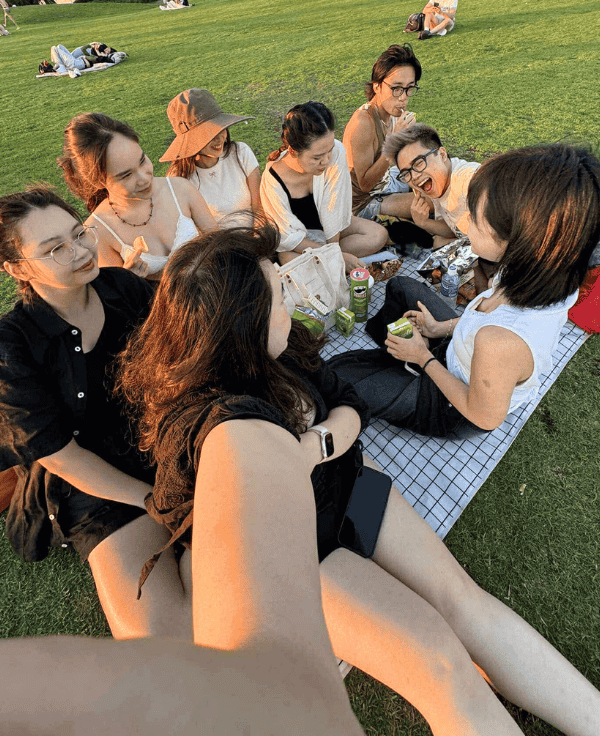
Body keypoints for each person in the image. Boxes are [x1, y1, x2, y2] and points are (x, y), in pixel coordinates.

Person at [117, 219, 600, 736]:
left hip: (348, 483)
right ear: (241, 324)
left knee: (464, 601)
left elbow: (346, 403)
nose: (291, 300)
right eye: (279, 295)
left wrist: (314, 447)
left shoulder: (282, 348)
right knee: (441, 666)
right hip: (304, 552)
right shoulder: (220, 426)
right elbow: (222, 548)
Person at [0, 407, 366, 736]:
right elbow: (65, 461)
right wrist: (160, 502)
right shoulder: (19, 343)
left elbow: (348, 405)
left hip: (177, 453)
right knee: (171, 659)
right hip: (110, 482)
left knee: (227, 628)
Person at [0, 186, 192, 640]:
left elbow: (179, 363)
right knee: (162, 642)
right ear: (16, 268)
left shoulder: (122, 287)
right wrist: (153, 499)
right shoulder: (13, 346)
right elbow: (62, 457)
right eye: (54, 249)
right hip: (93, 486)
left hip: (163, 445)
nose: (79, 251)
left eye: (78, 233)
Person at [329, 144, 600, 444]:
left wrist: (422, 358)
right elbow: (479, 319)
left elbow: (482, 415)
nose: (464, 223)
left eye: (475, 219)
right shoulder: (536, 270)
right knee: (400, 287)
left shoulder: (502, 342)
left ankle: (406, 361)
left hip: (452, 405)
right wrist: (438, 328)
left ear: (519, 240)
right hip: (458, 351)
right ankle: (398, 355)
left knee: (338, 376)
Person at [58, 112, 216, 281]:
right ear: (100, 182)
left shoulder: (180, 188)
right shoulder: (98, 232)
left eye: (142, 161)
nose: (144, 178)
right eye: (126, 175)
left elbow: (222, 247)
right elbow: (122, 301)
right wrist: (129, 280)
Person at [260, 102, 387, 272]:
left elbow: (334, 211)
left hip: (332, 235)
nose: (327, 161)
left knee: (378, 235)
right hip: (301, 241)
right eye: (317, 157)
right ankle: (332, 263)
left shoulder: (336, 153)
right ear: (293, 151)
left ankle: (325, 265)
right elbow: (287, 236)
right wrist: (337, 257)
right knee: (288, 258)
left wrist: (332, 252)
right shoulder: (273, 178)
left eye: (329, 151)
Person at [381, 122, 495, 292]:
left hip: (501, 257)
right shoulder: (437, 187)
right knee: (435, 259)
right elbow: (453, 229)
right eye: (406, 173)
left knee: (488, 289)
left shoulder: (469, 181)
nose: (414, 177)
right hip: (475, 249)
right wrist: (424, 223)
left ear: (442, 154)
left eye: (419, 163)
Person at [342, 43, 426, 222]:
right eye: (396, 88)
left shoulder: (392, 112)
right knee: (430, 202)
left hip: (387, 181)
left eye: (409, 88)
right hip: (363, 203)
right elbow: (365, 185)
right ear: (377, 86)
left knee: (438, 176)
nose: (403, 97)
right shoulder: (363, 124)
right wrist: (393, 141)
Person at [161, 88, 261, 224]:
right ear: (190, 140)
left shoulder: (241, 152)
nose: (219, 138)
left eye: (221, 128)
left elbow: (259, 208)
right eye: (208, 134)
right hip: (216, 243)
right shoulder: (179, 178)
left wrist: (258, 236)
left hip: (258, 237)